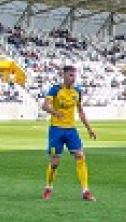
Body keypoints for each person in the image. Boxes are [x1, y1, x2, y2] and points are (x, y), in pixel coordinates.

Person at [41, 65, 97, 201]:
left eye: (74, 75)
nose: (73, 78)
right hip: (56, 129)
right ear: (64, 75)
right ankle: (48, 188)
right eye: (70, 75)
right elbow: (45, 105)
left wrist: (89, 128)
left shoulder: (77, 91)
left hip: (71, 129)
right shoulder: (55, 90)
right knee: (55, 162)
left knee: (80, 155)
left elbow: (80, 111)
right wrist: (55, 112)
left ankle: (85, 190)